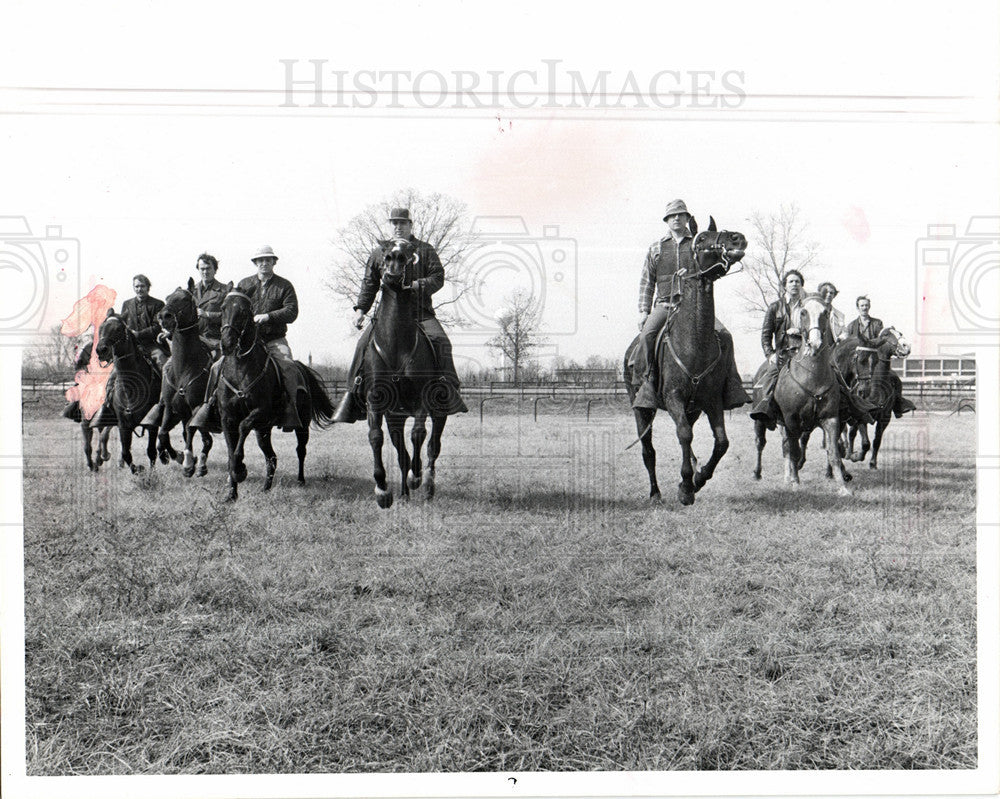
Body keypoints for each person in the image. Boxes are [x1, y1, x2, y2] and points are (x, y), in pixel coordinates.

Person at [333, 207, 467, 423]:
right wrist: (360, 309)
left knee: (443, 342)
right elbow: (369, 283)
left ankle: (447, 390)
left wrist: (415, 285)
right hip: (386, 317)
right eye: (394, 223)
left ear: (410, 225)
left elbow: (438, 277)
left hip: (420, 314)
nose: (398, 226)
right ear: (390, 225)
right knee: (361, 345)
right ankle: (353, 393)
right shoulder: (379, 252)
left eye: (402, 223)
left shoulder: (424, 250)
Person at [632, 198, 749, 410]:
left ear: (687, 218)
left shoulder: (697, 243)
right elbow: (647, 281)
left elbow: (714, 263)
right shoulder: (656, 248)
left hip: (695, 307)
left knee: (725, 336)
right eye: (672, 215)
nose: (676, 218)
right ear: (666, 220)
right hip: (665, 306)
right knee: (647, 336)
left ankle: (732, 386)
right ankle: (646, 384)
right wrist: (643, 311)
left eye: (681, 215)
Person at [191, 245, 303, 431]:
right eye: (260, 260)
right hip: (247, 342)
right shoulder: (245, 284)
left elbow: (292, 311)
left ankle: (290, 409)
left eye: (268, 260)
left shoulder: (284, 285)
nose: (264, 263)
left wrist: (268, 316)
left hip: (274, 339)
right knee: (216, 366)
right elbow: (231, 308)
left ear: (274, 262)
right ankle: (209, 406)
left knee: (289, 366)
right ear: (255, 263)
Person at [95, 274, 167, 426]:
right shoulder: (127, 304)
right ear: (134, 288)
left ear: (148, 287)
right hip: (132, 347)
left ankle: (164, 402)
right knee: (114, 374)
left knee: (163, 363)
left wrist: (138, 334)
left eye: (142, 286)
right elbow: (122, 325)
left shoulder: (158, 304)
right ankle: (107, 405)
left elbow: (157, 326)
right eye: (137, 286)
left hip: (152, 346)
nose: (139, 289)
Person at [748, 269, 806, 429]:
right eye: (791, 281)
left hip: (803, 353)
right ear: (785, 286)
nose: (794, 284)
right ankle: (765, 406)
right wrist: (770, 353)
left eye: (797, 282)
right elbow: (766, 334)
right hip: (783, 353)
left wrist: (801, 332)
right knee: (771, 374)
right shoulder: (775, 307)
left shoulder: (807, 306)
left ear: (801, 285)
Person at [193, 253, 228, 357]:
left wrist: (208, 315)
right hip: (193, 339)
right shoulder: (190, 291)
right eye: (202, 269)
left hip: (215, 340)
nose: (205, 272)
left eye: (208, 268)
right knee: (169, 368)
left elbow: (229, 316)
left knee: (219, 369)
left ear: (215, 270)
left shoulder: (225, 291)